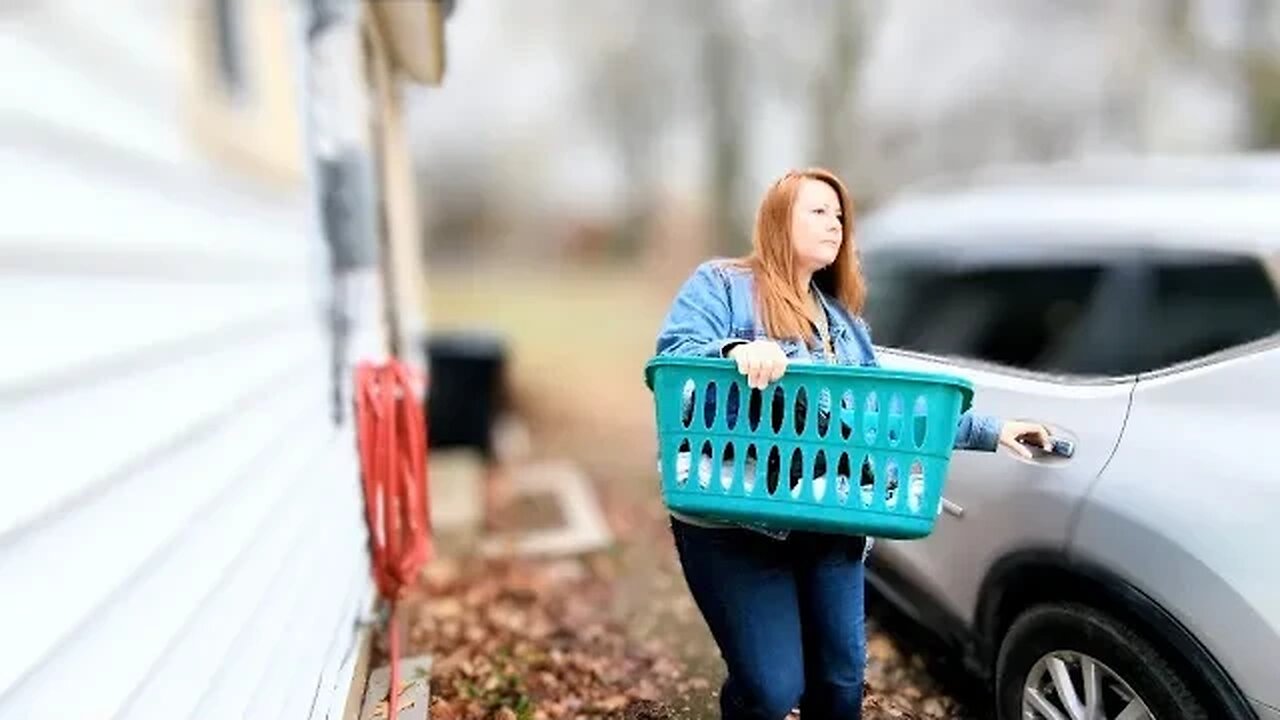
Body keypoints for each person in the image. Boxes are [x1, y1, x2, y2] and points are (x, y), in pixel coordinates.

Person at [653, 168, 1052, 720]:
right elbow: (676, 356)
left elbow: (876, 418)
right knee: (771, 692)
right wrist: (735, 350)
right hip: (734, 519)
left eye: (840, 216)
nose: (835, 224)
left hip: (830, 513)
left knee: (840, 687)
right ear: (777, 219)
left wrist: (991, 430)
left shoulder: (843, 324)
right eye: (818, 211)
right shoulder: (721, 284)